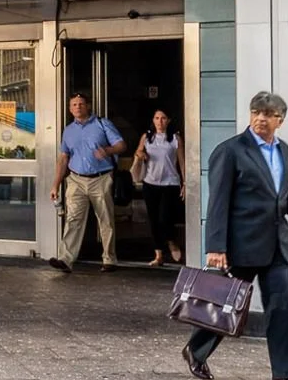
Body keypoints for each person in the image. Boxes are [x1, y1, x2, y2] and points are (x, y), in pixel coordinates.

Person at [182, 91, 288, 380]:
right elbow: (218, 202)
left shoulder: (284, 151)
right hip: (241, 244)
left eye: (268, 114)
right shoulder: (230, 151)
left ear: (281, 119)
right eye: (256, 112)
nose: (261, 119)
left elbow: (276, 193)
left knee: (283, 309)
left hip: (279, 245)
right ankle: (196, 349)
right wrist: (216, 246)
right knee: (226, 307)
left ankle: (285, 374)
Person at [48, 92, 125, 273]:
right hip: (76, 179)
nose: (77, 107)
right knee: (73, 219)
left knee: (105, 219)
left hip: (101, 178)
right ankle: (66, 259)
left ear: (88, 106)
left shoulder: (102, 124)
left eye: (81, 104)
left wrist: (108, 150)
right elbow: (63, 158)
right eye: (74, 105)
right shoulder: (68, 130)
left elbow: (122, 145)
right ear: (69, 108)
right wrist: (55, 184)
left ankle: (109, 259)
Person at [134, 109, 185, 267]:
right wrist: (141, 155)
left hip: (170, 182)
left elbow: (182, 162)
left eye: (163, 118)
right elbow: (138, 151)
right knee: (153, 219)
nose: (160, 121)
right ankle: (158, 254)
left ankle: (171, 241)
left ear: (168, 120)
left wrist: (185, 182)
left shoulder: (175, 139)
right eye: (157, 118)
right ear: (153, 120)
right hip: (151, 182)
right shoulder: (147, 137)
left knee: (165, 217)